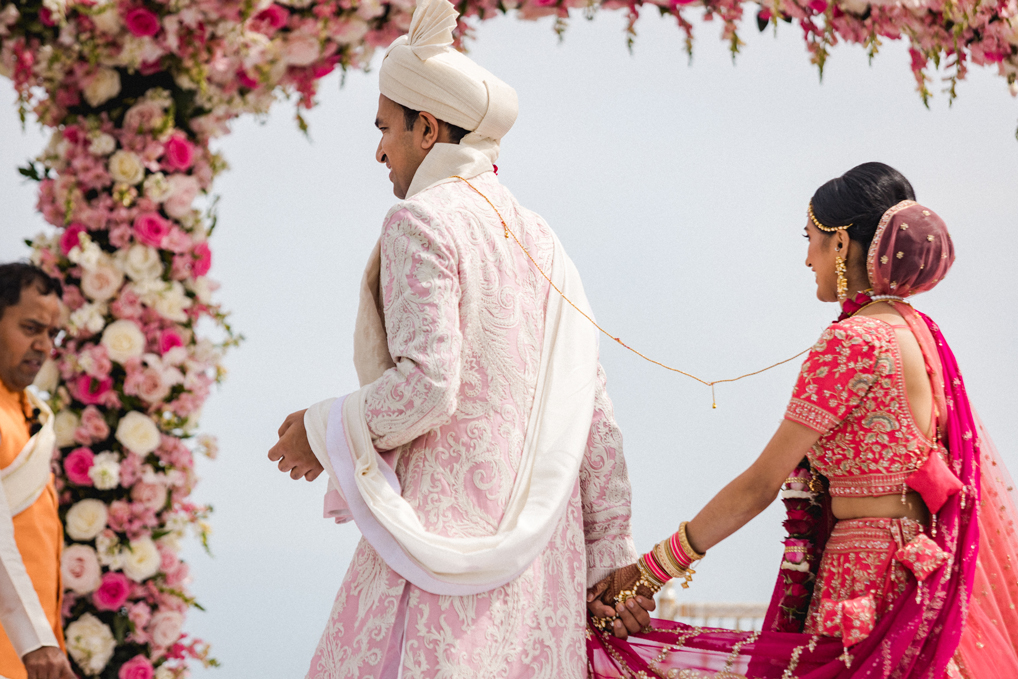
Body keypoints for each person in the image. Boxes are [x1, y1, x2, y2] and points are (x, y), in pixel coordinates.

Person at [266, 0, 637, 676]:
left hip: (442, 561)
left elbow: (429, 388)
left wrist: (321, 430)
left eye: (386, 127)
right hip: (543, 576)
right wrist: (610, 551)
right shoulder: (544, 240)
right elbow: (593, 413)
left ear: (428, 128)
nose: (380, 149)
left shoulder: (422, 221)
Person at [586, 162, 1018, 678]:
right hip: (919, 574)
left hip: (864, 579)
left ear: (841, 243)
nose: (807, 258)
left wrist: (651, 570)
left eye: (810, 239)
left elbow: (760, 484)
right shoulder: (921, 334)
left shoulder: (853, 340)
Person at [0, 262, 75, 679]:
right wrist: (36, 641)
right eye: (30, 328)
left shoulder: (29, 410)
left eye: (52, 334)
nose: (44, 346)